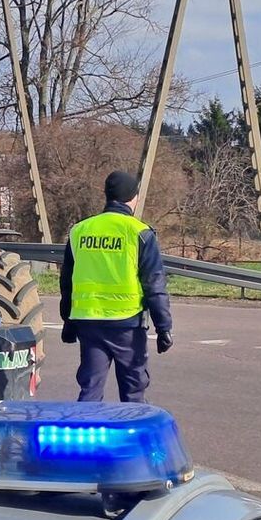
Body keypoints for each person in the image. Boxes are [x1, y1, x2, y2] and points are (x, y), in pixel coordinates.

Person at [58, 171, 173, 403]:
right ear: (133, 197)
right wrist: (164, 328)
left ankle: (84, 437)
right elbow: (154, 284)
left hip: (88, 322)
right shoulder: (140, 233)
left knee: (90, 390)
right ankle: (131, 438)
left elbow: (67, 281)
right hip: (127, 325)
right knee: (133, 393)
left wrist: (68, 321)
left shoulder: (80, 231)